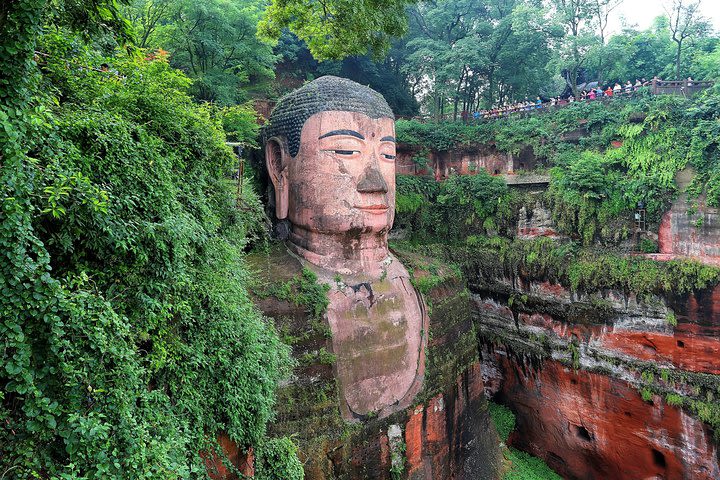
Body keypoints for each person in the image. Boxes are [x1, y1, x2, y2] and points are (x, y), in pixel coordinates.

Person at [264, 76, 427, 420]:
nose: (376, 182)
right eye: (345, 151)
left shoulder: (434, 285)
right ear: (280, 166)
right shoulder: (264, 310)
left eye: (387, 155)